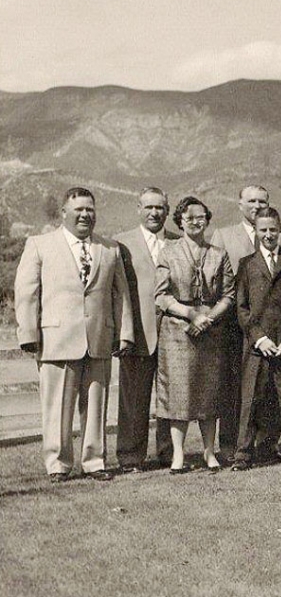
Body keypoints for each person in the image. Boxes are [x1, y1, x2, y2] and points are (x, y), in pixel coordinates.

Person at [14, 187, 134, 482]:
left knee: (96, 405)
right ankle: (58, 464)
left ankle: (95, 462)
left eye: (89, 210)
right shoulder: (40, 244)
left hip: (98, 340)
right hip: (56, 340)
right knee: (57, 408)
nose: (85, 215)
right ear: (64, 213)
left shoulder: (110, 249)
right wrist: (28, 332)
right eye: (78, 209)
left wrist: (125, 333)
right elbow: (27, 292)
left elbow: (121, 296)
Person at [209, 184, 281, 457]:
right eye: (250, 201)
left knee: (271, 388)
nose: (256, 206)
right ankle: (232, 445)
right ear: (239, 203)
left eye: (261, 201)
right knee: (236, 388)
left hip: (273, 327)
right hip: (236, 327)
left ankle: (268, 444)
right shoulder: (222, 236)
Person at [155, 196, 235, 474]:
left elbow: (228, 294)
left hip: (211, 333)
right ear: (180, 220)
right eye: (189, 217)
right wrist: (190, 315)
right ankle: (178, 455)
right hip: (178, 332)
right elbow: (162, 296)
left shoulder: (218, 254)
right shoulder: (168, 251)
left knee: (209, 394)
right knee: (179, 394)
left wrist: (208, 317)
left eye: (201, 217)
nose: (195, 222)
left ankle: (209, 452)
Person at [232, 207, 281, 471]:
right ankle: (243, 454)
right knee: (251, 399)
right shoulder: (246, 264)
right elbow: (241, 307)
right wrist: (259, 338)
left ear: (280, 229)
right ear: (255, 231)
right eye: (263, 230)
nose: (268, 235)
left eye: (273, 230)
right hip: (257, 347)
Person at [114, 187, 179, 471]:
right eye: (149, 207)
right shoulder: (120, 243)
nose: (154, 213)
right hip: (137, 334)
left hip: (174, 334)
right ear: (138, 208)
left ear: (167, 210)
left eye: (160, 208)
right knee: (133, 399)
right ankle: (130, 456)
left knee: (170, 397)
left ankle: (167, 452)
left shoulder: (179, 243)